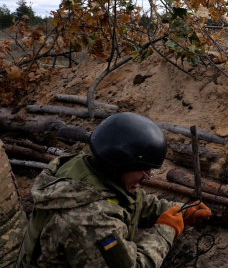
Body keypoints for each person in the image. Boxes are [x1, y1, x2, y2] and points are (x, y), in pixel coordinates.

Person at [16, 112, 211, 268]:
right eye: (143, 169)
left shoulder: (86, 169)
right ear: (120, 165)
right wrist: (165, 230)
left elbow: (130, 199)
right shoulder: (90, 221)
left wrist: (178, 209)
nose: (148, 176)